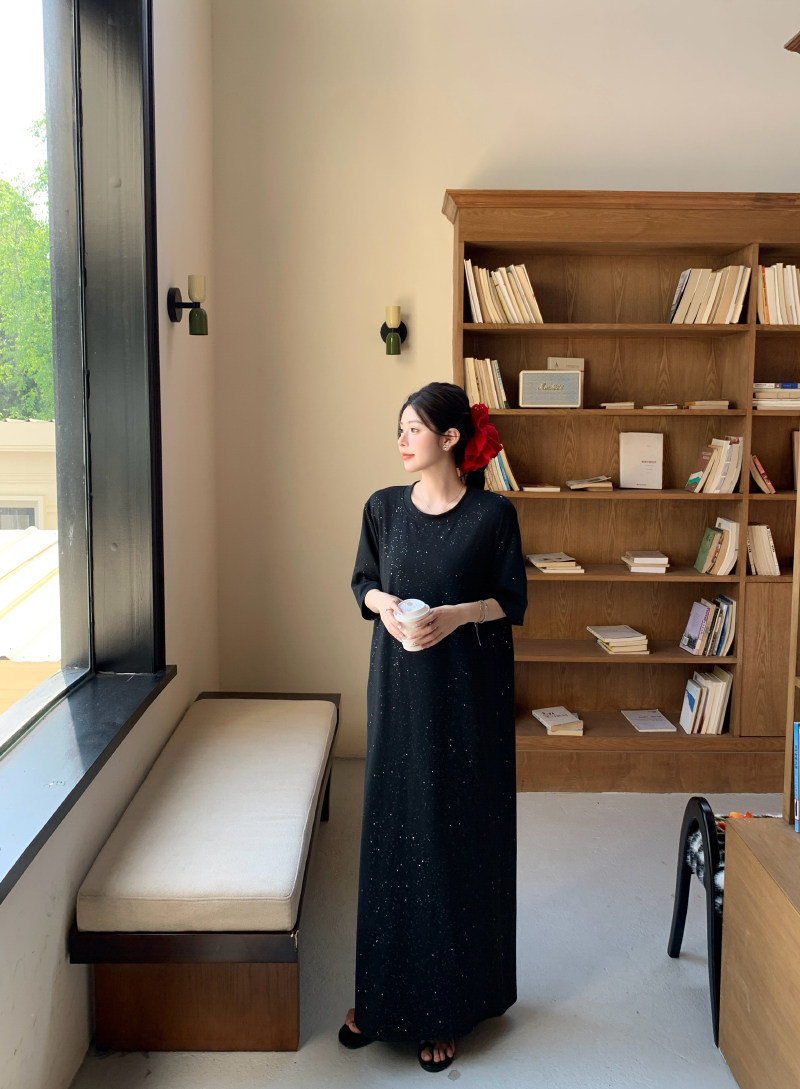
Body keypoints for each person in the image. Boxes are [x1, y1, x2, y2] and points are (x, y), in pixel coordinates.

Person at [341, 381, 528, 1073]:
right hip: (398, 696)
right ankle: (382, 1000)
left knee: (452, 838)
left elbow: (511, 600)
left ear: (450, 439)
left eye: (413, 429)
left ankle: (443, 1009)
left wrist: (456, 614)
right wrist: (383, 603)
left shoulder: (492, 515)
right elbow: (362, 582)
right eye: (400, 429)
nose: (401, 440)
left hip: (465, 700)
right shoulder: (382, 508)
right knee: (393, 835)